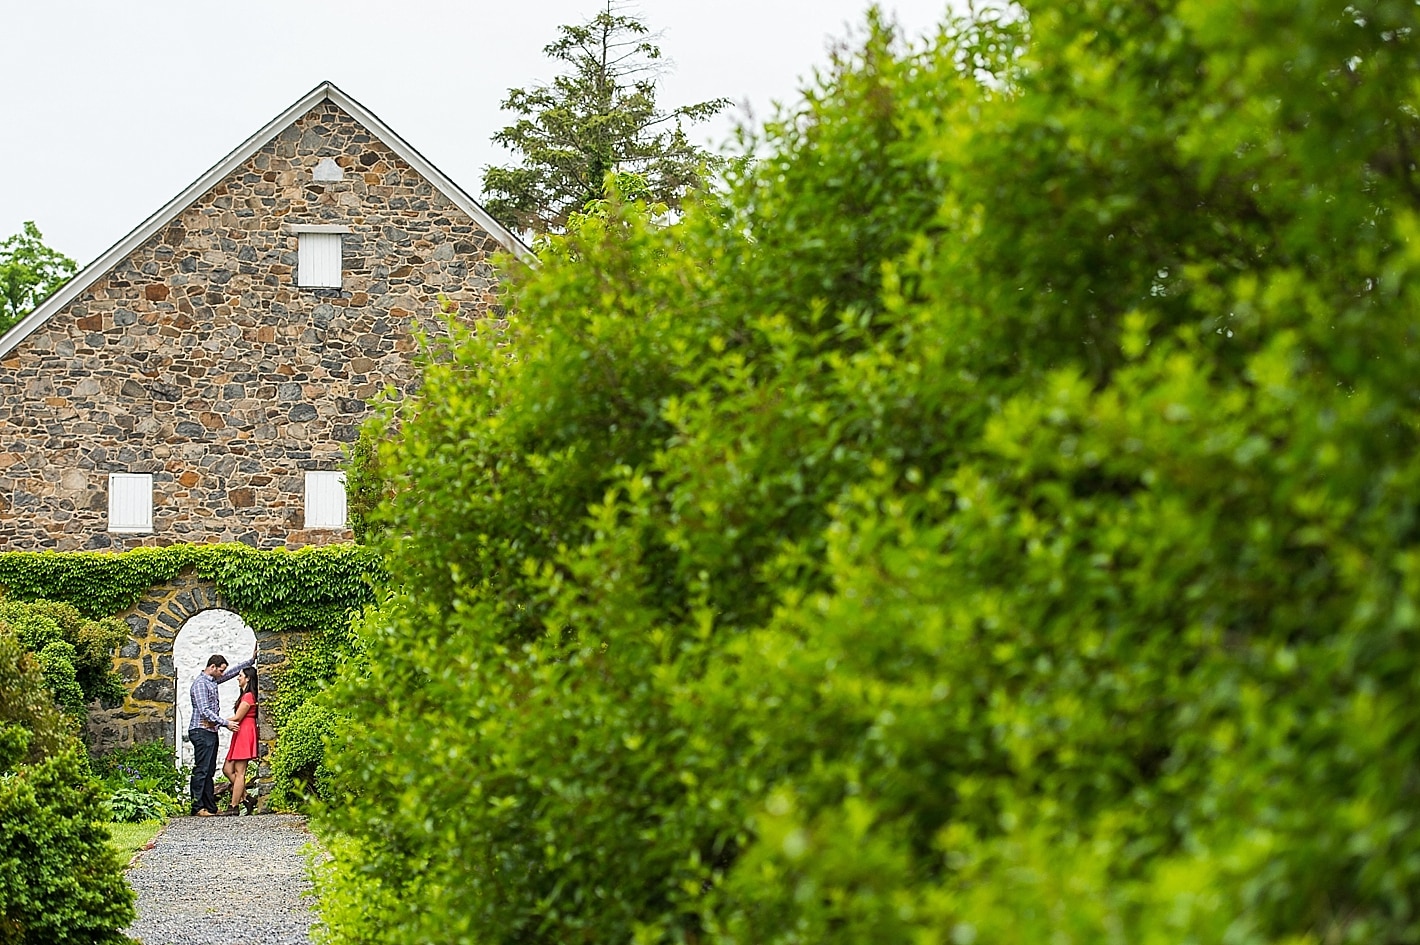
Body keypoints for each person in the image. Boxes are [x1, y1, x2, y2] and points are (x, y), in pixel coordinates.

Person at [189, 647, 256, 817]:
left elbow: (233, 672)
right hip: (201, 730)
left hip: (210, 730)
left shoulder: (212, 680)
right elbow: (204, 710)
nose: (223, 674)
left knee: (209, 771)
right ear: (212, 667)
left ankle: (210, 807)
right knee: (202, 770)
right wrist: (225, 723)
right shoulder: (200, 684)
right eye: (221, 670)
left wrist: (250, 660)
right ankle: (198, 807)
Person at [220, 666, 260, 815]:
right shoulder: (244, 696)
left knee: (239, 771)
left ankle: (234, 806)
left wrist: (217, 721)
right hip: (240, 732)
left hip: (245, 732)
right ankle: (247, 798)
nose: (238, 678)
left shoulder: (249, 696)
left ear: (247, 678)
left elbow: (238, 717)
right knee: (227, 769)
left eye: (240, 676)